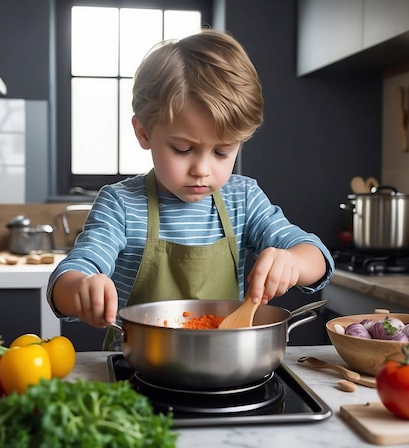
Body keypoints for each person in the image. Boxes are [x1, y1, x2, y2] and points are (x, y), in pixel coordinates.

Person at [47, 29, 334, 350]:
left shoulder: (245, 199)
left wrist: (293, 262)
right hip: (136, 369)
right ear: (143, 133)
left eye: (222, 152)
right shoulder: (121, 205)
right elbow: (68, 276)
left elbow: (317, 257)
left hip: (227, 365)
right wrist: (81, 288)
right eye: (183, 149)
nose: (202, 168)